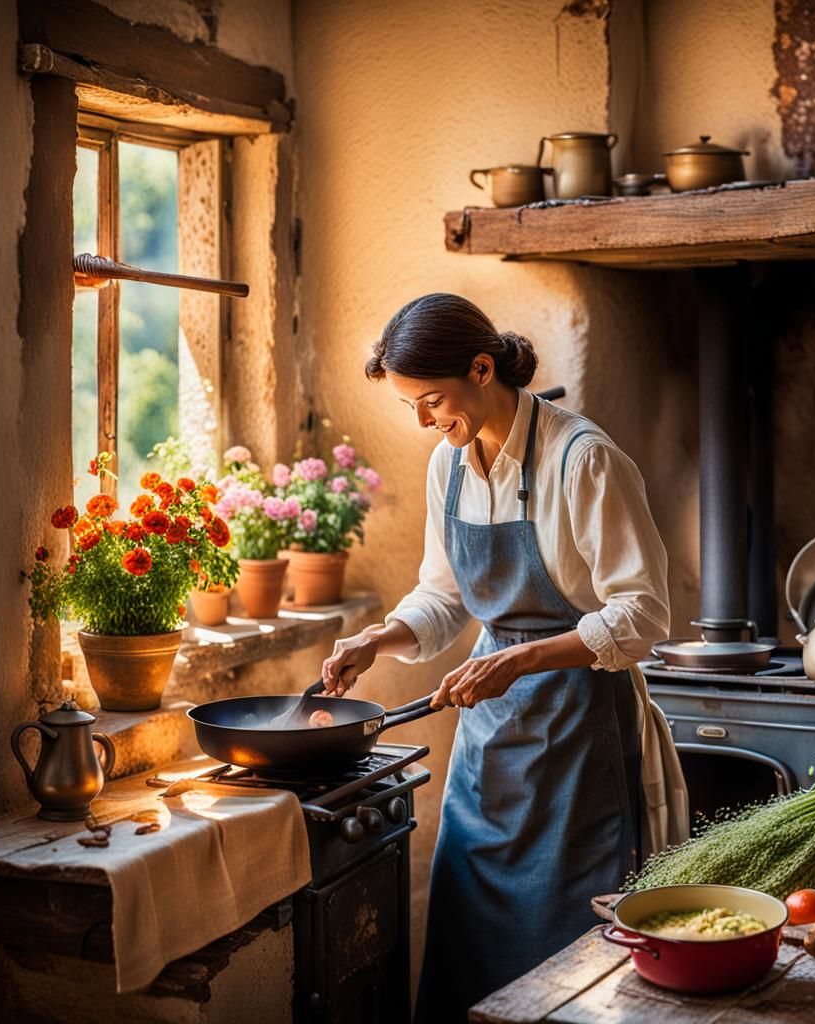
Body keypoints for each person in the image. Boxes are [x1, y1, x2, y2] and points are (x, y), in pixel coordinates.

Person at [321, 293, 687, 1023]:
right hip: (491, 748)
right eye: (410, 406)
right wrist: (378, 638)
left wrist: (517, 662)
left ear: (482, 369)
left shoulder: (581, 459)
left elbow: (643, 616)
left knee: (574, 960)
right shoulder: (449, 466)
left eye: (430, 401)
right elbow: (445, 596)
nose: (424, 421)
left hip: (581, 736)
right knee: (471, 945)